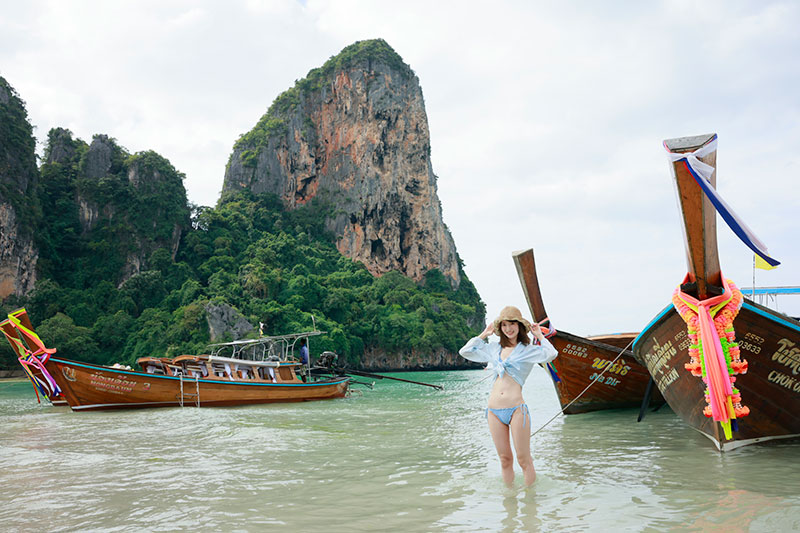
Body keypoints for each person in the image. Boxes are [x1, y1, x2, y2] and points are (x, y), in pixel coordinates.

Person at [459, 305, 558, 487]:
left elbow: (551, 354)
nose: (508, 328)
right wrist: (483, 335)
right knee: (505, 459)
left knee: (523, 459)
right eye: (504, 325)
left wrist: (539, 336)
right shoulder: (493, 348)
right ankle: (509, 502)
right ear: (500, 328)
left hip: (516, 410)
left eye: (512, 324)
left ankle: (530, 502)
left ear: (519, 326)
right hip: (493, 411)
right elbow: (465, 352)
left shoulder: (528, 350)